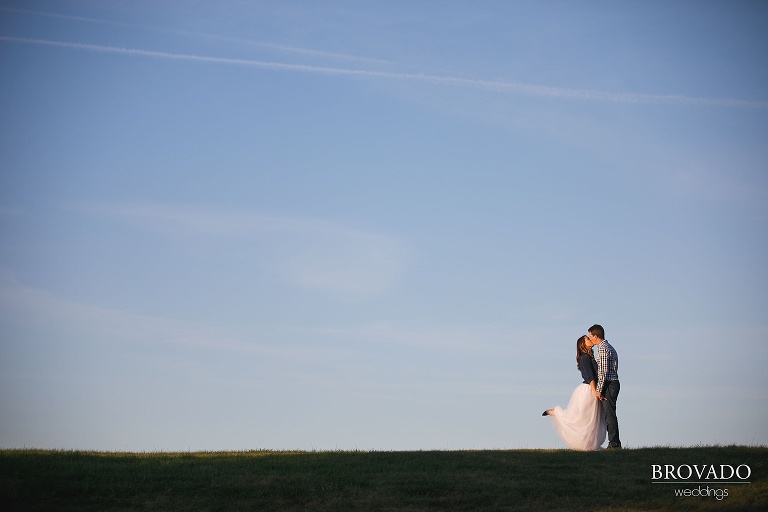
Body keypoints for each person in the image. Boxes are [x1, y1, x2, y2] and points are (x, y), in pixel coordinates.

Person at [542, 336, 606, 450]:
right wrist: (595, 391)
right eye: (587, 339)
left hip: (592, 389)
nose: (590, 339)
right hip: (588, 390)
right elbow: (590, 376)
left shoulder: (590, 357)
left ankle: (590, 444)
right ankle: (555, 412)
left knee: (590, 419)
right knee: (580, 418)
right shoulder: (585, 358)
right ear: (582, 344)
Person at [587, 324, 622, 449]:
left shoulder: (602, 349)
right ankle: (614, 442)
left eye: (591, 336)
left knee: (609, 414)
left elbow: (603, 372)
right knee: (610, 414)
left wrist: (598, 390)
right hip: (613, 383)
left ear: (596, 336)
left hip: (609, 385)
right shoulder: (609, 347)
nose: (590, 339)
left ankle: (614, 443)